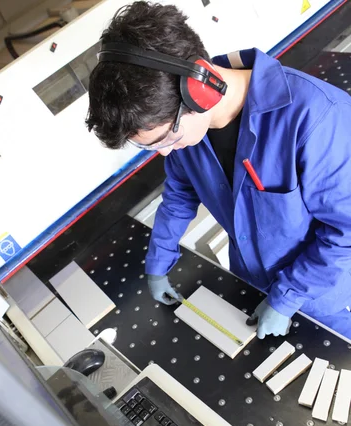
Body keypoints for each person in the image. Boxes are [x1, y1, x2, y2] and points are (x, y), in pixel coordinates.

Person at [86, 1, 351, 340]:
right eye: (149, 146)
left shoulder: (317, 119)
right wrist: (159, 260)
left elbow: (346, 233)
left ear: (202, 89)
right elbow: (181, 192)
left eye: (166, 137)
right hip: (252, 281)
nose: (165, 152)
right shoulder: (187, 133)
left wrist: (287, 299)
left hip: (326, 296)